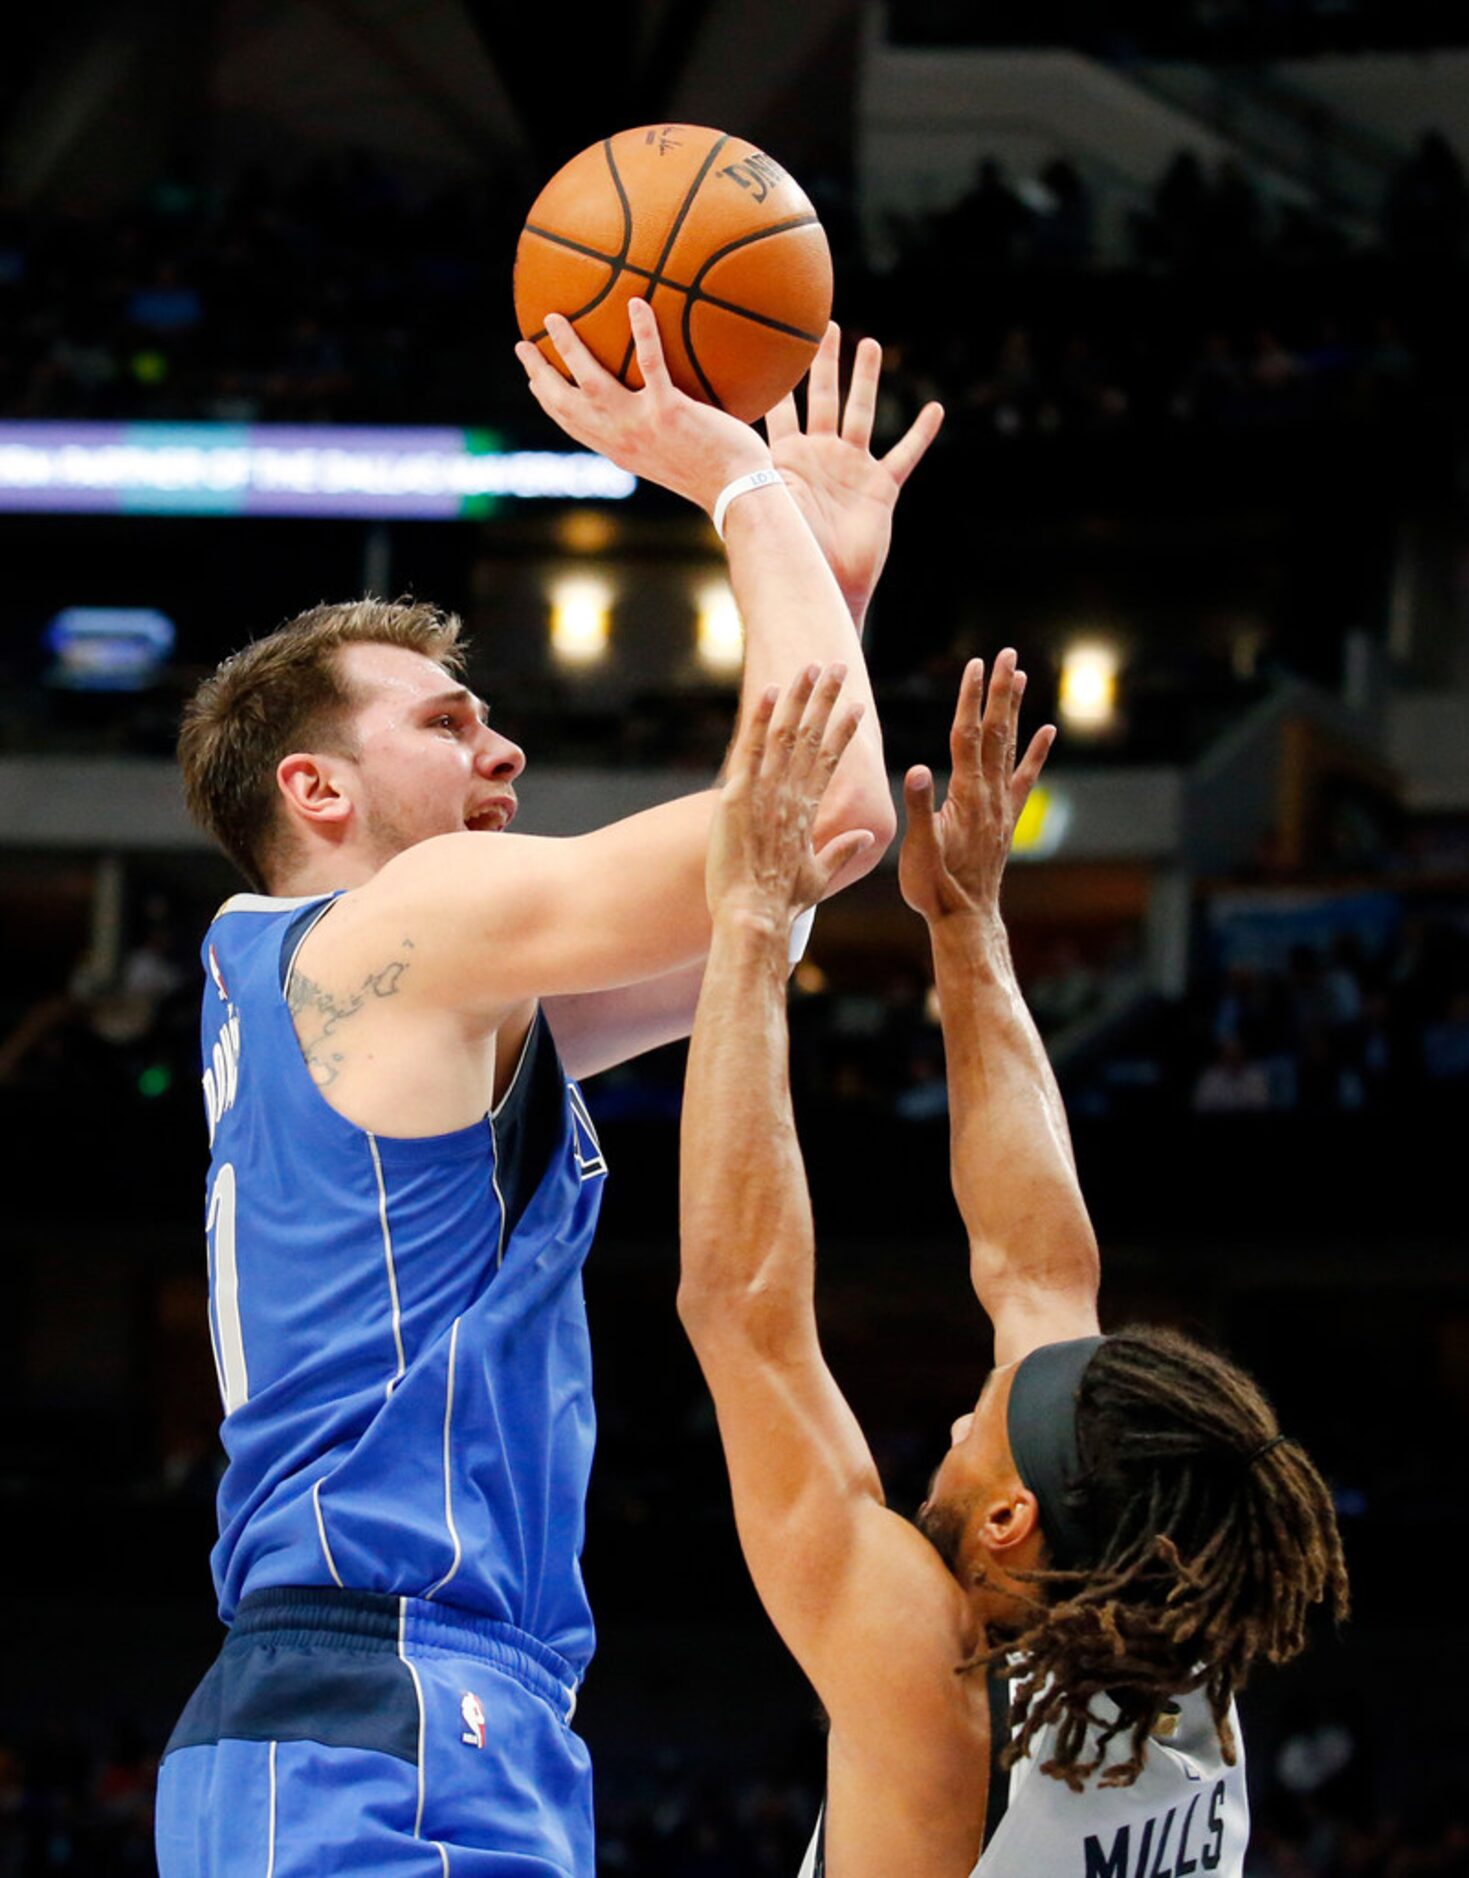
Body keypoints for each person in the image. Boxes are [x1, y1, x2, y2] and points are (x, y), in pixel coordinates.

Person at [156, 300, 943, 1877]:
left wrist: (825, 585)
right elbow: (831, 817)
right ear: (314, 787)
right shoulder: (397, 928)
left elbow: (769, 904)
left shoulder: (394, 989)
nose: (504, 754)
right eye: (452, 723)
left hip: (423, 1698)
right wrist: (732, 481)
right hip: (379, 1696)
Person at [678, 653, 1349, 1878]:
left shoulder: (936, 1688)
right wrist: (967, 922)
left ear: (1006, 1519)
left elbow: (743, 1313)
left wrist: (748, 925)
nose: (957, 1405)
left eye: (981, 1421)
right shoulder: (1167, 1640)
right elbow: (1037, 1268)